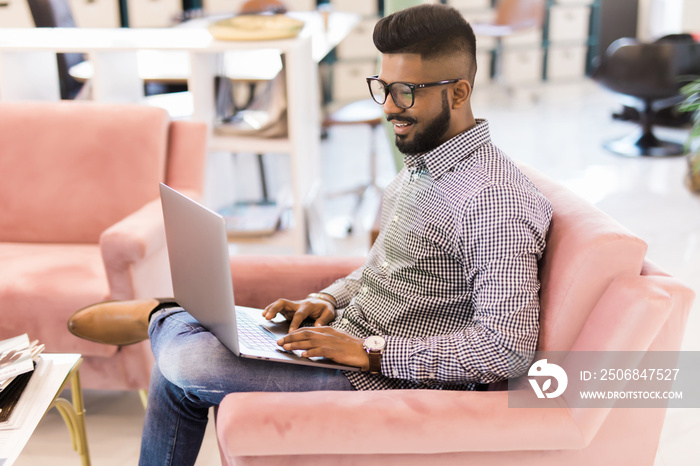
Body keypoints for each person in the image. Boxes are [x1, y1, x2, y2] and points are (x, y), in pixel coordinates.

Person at [68, 4, 553, 465]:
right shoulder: (420, 168)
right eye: (382, 88)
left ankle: (164, 313)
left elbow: (507, 346)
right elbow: (383, 269)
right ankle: (176, 316)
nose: (388, 107)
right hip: (345, 339)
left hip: (382, 379)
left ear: (459, 93)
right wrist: (327, 299)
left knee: (187, 363)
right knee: (186, 361)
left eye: (406, 92)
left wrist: (368, 352)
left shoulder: (493, 200)